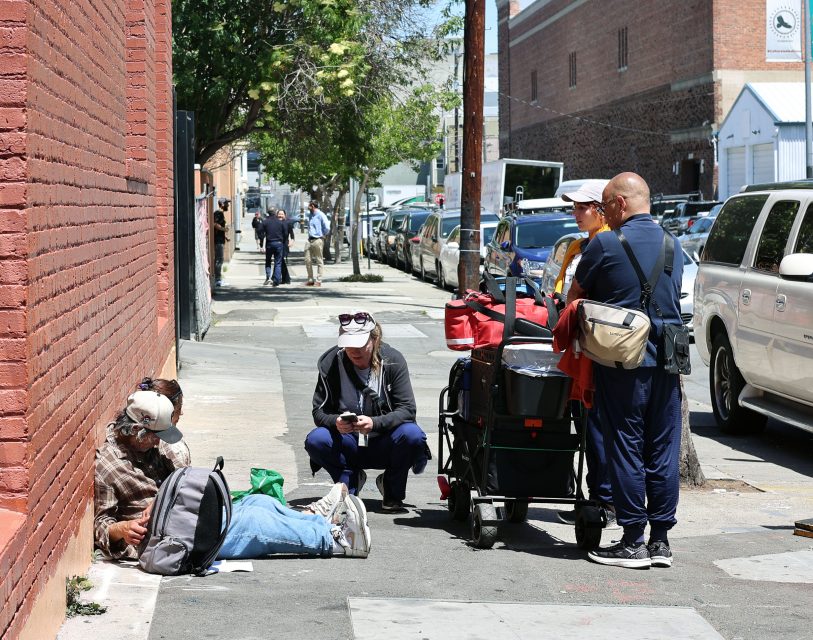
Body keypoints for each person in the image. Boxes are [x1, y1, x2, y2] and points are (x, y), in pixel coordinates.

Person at [94, 387, 371, 562]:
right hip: (170, 537)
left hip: (187, 514)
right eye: (156, 437)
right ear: (137, 431)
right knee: (255, 522)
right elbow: (102, 523)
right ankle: (336, 539)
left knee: (259, 503)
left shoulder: (150, 448)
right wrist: (120, 529)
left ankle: (316, 518)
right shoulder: (109, 465)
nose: (159, 443)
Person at [567, 172, 683, 569]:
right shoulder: (674, 244)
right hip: (667, 361)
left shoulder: (605, 244)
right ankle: (661, 542)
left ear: (619, 204)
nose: (605, 213)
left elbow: (575, 296)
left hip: (623, 361)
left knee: (625, 446)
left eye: (606, 205)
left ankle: (633, 539)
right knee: (662, 450)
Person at [304, 311, 430, 513]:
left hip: (385, 441)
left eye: (360, 344)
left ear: (375, 339)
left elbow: (407, 410)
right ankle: (350, 480)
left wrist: (375, 423)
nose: (353, 350)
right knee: (316, 439)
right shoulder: (330, 363)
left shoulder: (393, 360)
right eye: (348, 344)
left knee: (413, 435)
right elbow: (318, 412)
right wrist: (335, 421)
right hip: (348, 441)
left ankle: (391, 487)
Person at [551, 180, 617, 530]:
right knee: (584, 426)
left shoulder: (609, 243)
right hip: (578, 346)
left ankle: (604, 500)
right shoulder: (576, 246)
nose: (576, 214)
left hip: (601, 347)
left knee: (598, 429)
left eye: (582, 207)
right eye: (574, 208)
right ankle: (592, 496)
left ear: (601, 209)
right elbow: (561, 291)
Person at [304, 200, 330, 287]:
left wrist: (322, 235)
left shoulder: (321, 215)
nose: (308, 207)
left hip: (317, 240)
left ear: (312, 206)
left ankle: (318, 280)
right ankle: (310, 279)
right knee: (307, 260)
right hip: (309, 240)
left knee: (319, 260)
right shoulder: (311, 215)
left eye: (309, 205)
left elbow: (327, 227)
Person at [262, 209, 288, 287]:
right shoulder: (280, 222)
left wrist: (261, 244)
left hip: (269, 244)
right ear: (275, 214)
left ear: (268, 213)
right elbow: (285, 233)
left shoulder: (265, 222)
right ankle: (276, 280)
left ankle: (268, 277)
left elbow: (260, 231)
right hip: (279, 243)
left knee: (268, 261)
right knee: (278, 262)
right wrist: (283, 240)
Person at [213, 198, 230, 287]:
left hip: (220, 239)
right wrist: (224, 229)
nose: (228, 205)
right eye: (227, 203)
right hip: (218, 241)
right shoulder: (218, 213)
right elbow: (215, 224)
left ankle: (218, 279)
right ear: (222, 204)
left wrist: (225, 236)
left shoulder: (220, 213)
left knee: (220, 259)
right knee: (219, 260)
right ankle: (217, 280)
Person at [277, 209, 295, 285]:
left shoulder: (288, 223)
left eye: (282, 214)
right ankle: (285, 278)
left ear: (285, 215)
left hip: (284, 244)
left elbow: (292, 234)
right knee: (280, 261)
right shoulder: (276, 223)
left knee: (280, 261)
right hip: (277, 244)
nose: (280, 216)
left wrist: (292, 241)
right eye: (279, 214)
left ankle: (285, 278)